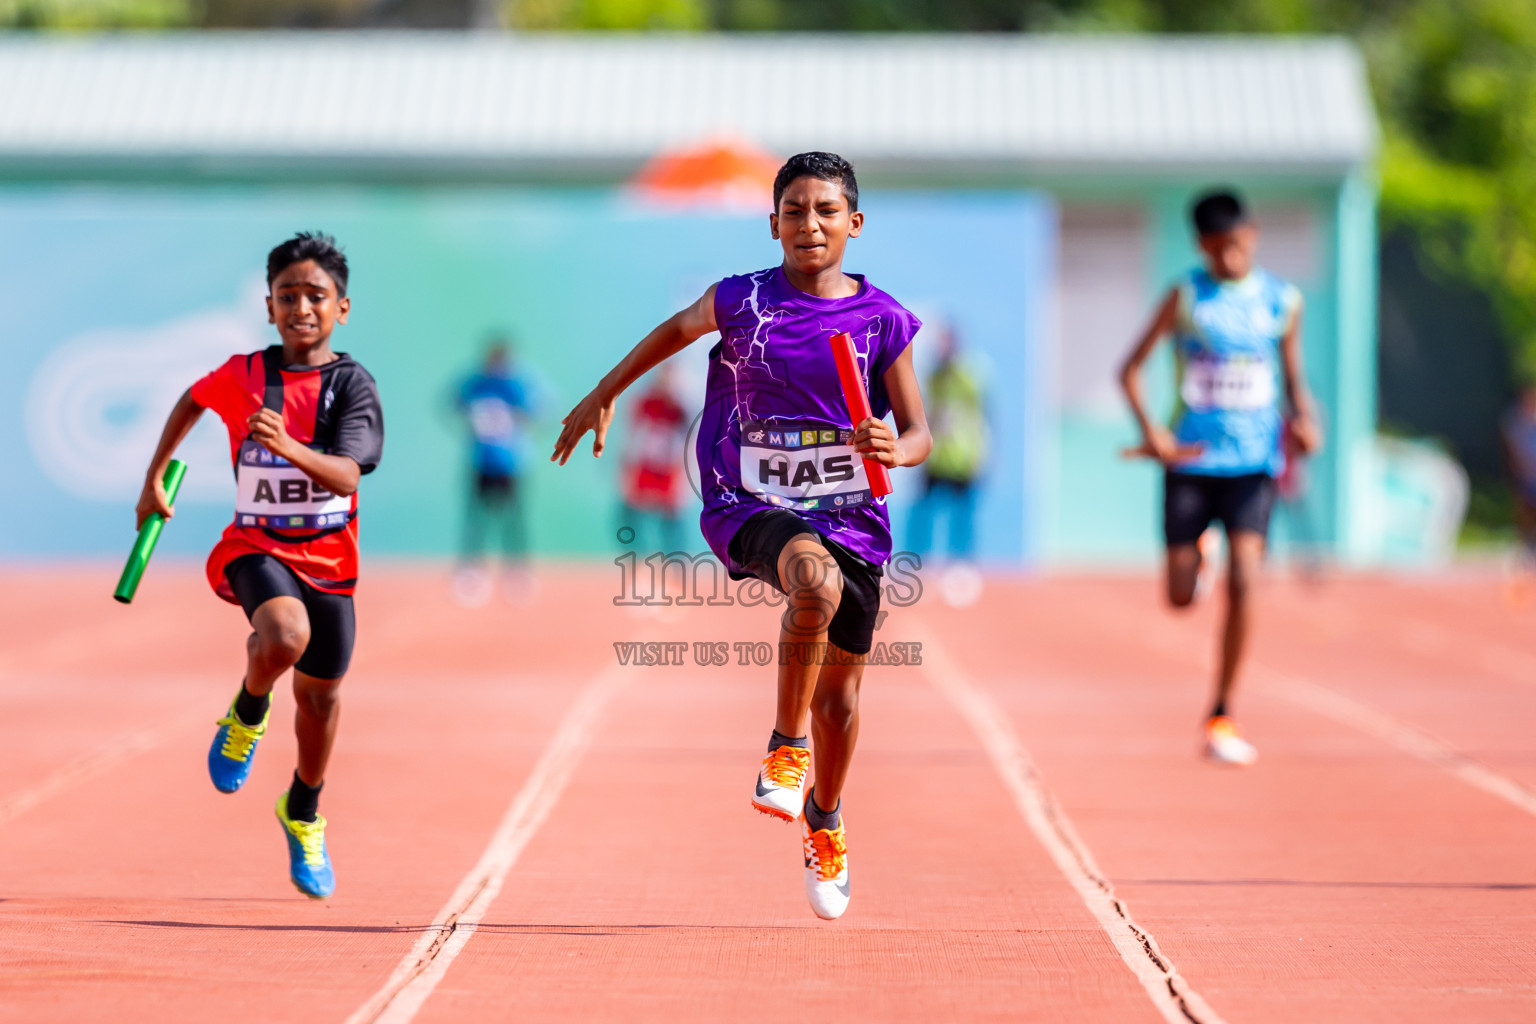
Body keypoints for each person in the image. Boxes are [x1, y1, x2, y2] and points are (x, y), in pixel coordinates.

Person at [552, 152, 930, 919]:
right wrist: (603, 391)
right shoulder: (743, 300)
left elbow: (920, 429)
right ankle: (784, 747)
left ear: (853, 224)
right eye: (794, 211)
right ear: (773, 224)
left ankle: (825, 814)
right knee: (810, 583)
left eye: (826, 211)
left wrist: (899, 448)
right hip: (746, 498)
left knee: (844, 703)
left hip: (854, 518)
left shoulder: (881, 318)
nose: (810, 224)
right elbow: (672, 332)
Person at [135, 232, 384, 898]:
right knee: (283, 637)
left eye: (316, 296)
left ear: (343, 308)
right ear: (269, 307)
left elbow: (346, 477)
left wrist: (288, 445)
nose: (302, 308)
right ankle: (247, 711)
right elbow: (192, 398)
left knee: (321, 697)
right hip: (256, 545)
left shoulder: (352, 386)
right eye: (287, 296)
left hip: (331, 562)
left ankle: (303, 810)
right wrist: (155, 475)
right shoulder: (244, 374)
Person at [1118, 189, 1320, 766]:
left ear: (1252, 235)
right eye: (1215, 249)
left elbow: (1293, 377)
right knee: (1180, 597)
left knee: (1247, 582)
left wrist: (1306, 423)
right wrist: (1152, 430)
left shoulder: (1283, 301)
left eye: (1235, 246)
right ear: (1200, 246)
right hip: (1190, 462)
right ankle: (1199, 554)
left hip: (1254, 465)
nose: (1227, 259)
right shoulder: (1185, 296)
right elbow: (1130, 370)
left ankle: (1222, 711)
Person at [907, 325, 988, 594]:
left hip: (963, 458)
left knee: (963, 515)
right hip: (936, 457)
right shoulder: (934, 376)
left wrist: (980, 454)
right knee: (923, 512)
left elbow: (982, 417)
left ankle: (961, 566)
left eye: (945, 342)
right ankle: (920, 566)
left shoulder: (970, 376)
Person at [454, 338, 536, 604]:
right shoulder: (477, 384)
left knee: (513, 521)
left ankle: (517, 573)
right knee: (476, 520)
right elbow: (456, 401)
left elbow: (535, 409)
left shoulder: (514, 386)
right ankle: (472, 573)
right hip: (481, 462)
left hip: (510, 464)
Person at [617, 361, 690, 554]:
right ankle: (636, 556)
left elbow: (688, 440)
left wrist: (683, 473)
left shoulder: (680, 409)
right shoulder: (645, 403)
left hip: (668, 467)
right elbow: (633, 435)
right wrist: (626, 467)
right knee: (629, 510)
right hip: (646, 464)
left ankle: (675, 561)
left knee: (672, 516)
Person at [1500, 384, 1536, 594]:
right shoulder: (1515, 421)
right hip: (1527, 480)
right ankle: (1523, 559)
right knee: (1526, 521)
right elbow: (1514, 451)